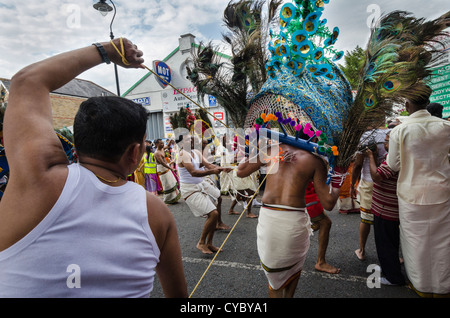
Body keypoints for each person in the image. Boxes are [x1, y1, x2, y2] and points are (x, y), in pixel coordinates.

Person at [0, 38, 187, 297]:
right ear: (135, 152)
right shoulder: (155, 212)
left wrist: (108, 51)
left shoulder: (38, 180)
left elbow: (27, 81)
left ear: (77, 141)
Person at [237, 141, 347, 298]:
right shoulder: (316, 160)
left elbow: (240, 171)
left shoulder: (273, 149)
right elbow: (329, 203)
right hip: (293, 221)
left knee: (274, 280)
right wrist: (337, 184)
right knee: (293, 270)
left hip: (269, 220)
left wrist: (259, 150)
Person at [386, 94, 450, 297]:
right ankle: (442, 288)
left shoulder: (400, 130)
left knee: (415, 243)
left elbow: (393, 165)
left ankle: (422, 287)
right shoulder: (445, 127)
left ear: (407, 104)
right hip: (442, 191)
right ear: (427, 101)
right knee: (443, 243)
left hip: (411, 194)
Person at [177, 134, 231, 254]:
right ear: (181, 144)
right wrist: (212, 171)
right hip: (190, 188)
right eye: (187, 139)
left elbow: (209, 165)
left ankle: (209, 243)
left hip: (201, 184)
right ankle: (201, 243)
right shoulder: (182, 154)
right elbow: (194, 172)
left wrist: (222, 168)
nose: (191, 140)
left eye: (190, 138)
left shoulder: (195, 152)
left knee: (218, 198)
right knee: (213, 214)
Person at [365, 131, 405, 286]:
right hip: (390, 207)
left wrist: (369, 156)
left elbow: (376, 176)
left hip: (385, 209)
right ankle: (392, 269)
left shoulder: (393, 160)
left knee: (385, 244)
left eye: (387, 141)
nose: (385, 144)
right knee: (391, 242)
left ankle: (393, 277)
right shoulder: (400, 156)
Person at [351, 127, 389, 261]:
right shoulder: (391, 133)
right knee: (387, 219)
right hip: (387, 180)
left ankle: (362, 250)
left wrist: (352, 184)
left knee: (366, 218)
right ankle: (392, 254)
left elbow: (357, 164)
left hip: (369, 181)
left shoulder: (365, 136)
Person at [305, 182, 340, 274]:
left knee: (317, 224)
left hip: (304, 191)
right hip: (307, 194)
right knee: (325, 223)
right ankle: (321, 262)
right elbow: (329, 206)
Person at [154, 139, 180, 204]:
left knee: (171, 183)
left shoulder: (162, 148)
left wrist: (170, 142)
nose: (162, 144)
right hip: (162, 169)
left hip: (166, 168)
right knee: (166, 184)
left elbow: (168, 146)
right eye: (160, 143)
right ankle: (168, 200)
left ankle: (174, 198)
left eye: (162, 143)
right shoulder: (157, 153)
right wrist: (171, 168)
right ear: (156, 144)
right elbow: (162, 163)